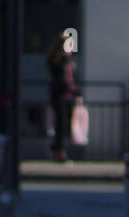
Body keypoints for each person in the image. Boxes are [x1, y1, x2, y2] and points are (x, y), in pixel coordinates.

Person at [46, 33, 80, 162]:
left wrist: (77, 93)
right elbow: (59, 78)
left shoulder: (70, 61)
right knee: (60, 123)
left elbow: (74, 78)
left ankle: (55, 147)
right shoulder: (58, 60)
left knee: (66, 124)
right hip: (59, 95)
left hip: (68, 95)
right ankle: (59, 151)